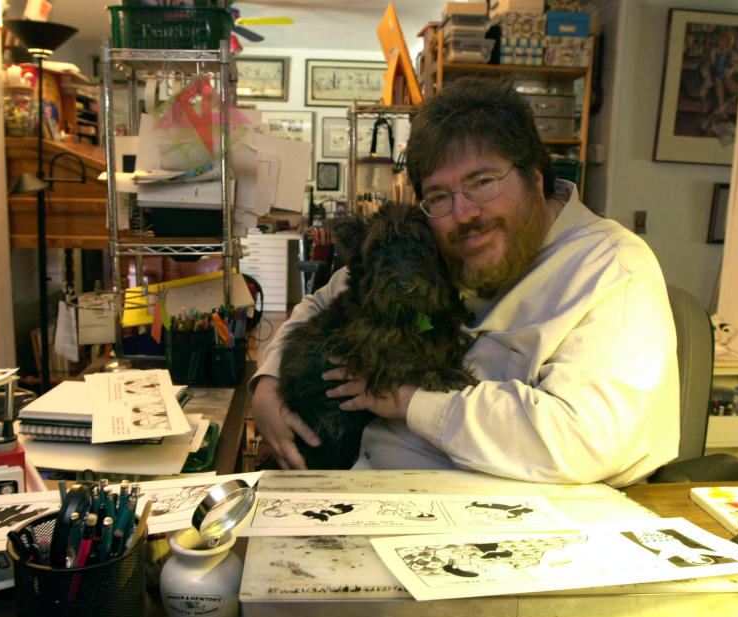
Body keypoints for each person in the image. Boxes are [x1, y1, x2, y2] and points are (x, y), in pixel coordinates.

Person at [250, 76, 679, 486]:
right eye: (439, 195)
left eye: (483, 182)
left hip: (497, 519)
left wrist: (411, 401)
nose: (464, 213)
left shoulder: (612, 269)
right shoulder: (444, 239)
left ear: (536, 177)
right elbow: (327, 298)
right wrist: (268, 382)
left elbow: (583, 439)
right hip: (357, 482)